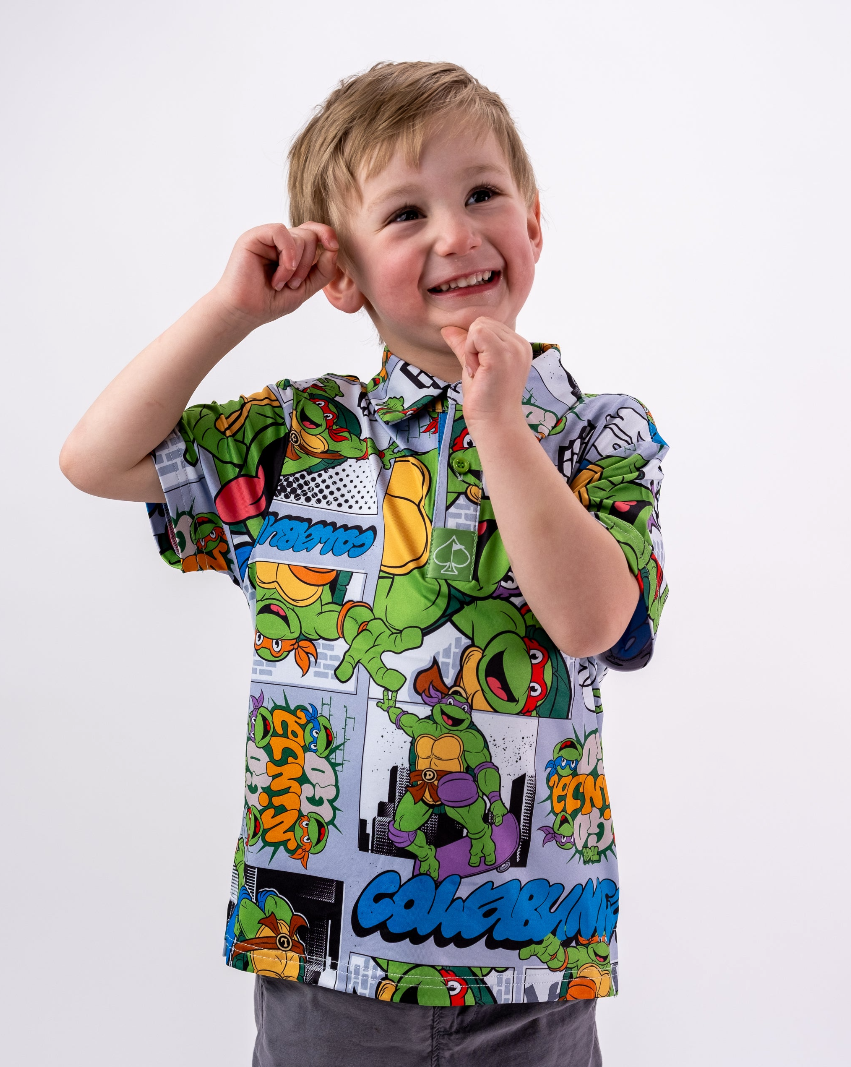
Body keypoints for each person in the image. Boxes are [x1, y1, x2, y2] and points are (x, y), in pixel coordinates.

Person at [60, 61, 668, 1067]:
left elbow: (593, 621)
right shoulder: (301, 436)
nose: (454, 232)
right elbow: (98, 458)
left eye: (481, 193)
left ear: (533, 225)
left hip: (530, 963)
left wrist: (500, 424)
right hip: (318, 957)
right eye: (404, 213)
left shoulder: (597, 435)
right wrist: (231, 312)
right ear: (338, 273)